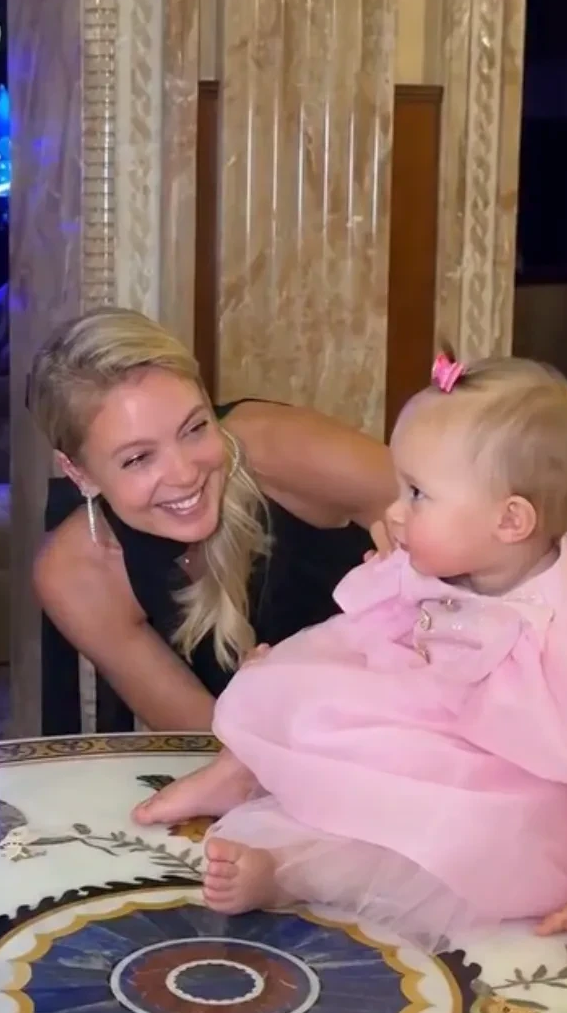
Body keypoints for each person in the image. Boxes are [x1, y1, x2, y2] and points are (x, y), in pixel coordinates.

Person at [136, 355, 567, 971]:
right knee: (293, 680)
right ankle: (242, 769)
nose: (395, 511)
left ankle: (290, 869)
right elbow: (374, 644)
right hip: (449, 712)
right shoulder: (459, 561)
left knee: (454, 832)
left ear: (510, 520)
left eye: (418, 495)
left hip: (529, 780)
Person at [30, 309, 396, 730]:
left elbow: (458, 524)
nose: (185, 474)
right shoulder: (76, 574)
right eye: (138, 458)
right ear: (79, 473)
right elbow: (207, 740)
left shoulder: (280, 449)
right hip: (293, 760)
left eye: (194, 429)